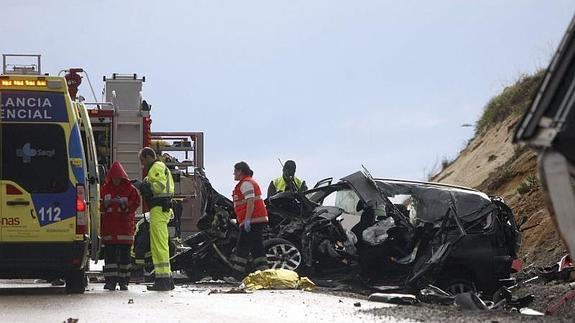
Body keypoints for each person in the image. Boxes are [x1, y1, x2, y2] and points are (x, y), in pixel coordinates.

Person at [138, 147, 175, 291]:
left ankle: (163, 280)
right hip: (160, 209)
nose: (142, 164)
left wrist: (143, 185)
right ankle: (167, 279)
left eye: (142, 160)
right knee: (159, 245)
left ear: (148, 157)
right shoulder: (158, 167)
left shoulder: (156, 167)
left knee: (159, 246)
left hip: (159, 209)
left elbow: (158, 187)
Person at [101, 161, 141, 291]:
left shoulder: (130, 189)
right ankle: (110, 282)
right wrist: (105, 205)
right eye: (114, 178)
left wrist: (125, 205)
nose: (116, 180)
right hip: (111, 228)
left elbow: (136, 203)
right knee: (110, 257)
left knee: (125, 257)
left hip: (123, 228)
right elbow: (99, 204)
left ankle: (124, 282)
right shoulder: (106, 188)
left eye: (118, 178)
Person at [230, 161, 269, 274]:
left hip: (252, 220)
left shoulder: (246, 183)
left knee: (242, 246)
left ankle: (237, 275)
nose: (234, 174)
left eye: (235, 171)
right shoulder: (246, 183)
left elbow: (250, 202)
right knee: (257, 247)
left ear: (240, 171)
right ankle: (264, 272)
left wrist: (247, 219)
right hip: (255, 220)